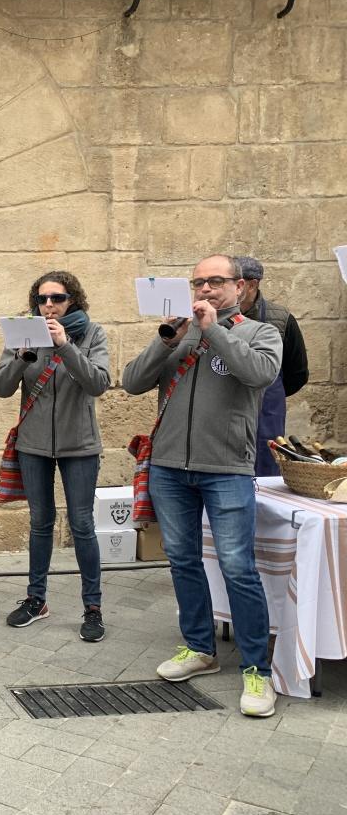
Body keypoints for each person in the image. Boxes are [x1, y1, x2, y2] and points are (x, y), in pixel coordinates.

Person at [123, 254, 282, 717]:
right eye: (198, 283)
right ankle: (199, 648)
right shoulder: (176, 333)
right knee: (183, 560)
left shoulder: (260, 332)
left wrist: (214, 331)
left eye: (216, 282)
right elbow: (132, 382)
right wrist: (164, 339)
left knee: (237, 568)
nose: (206, 290)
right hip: (170, 468)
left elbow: (259, 374)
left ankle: (256, 670)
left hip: (227, 468)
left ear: (238, 287)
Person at [0, 271, 111, 641]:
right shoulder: (23, 331)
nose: (48, 306)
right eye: (42, 299)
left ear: (71, 300)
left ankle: (93, 608)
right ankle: (36, 599)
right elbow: (1, 388)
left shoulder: (92, 333)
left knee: (82, 525)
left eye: (56, 298)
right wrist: (20, 357)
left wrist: (65, 347)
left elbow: (98, 382)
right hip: (34, 445)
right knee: (40, 523)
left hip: (80, 446)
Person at [233, 256, 309, 477]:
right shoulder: (214, 317)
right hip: (223, 407)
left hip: (266, 409)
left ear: (252, 284)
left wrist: (269, 395)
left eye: (236, 282)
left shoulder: (281, 319)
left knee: (266, 464)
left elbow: (297, 372)